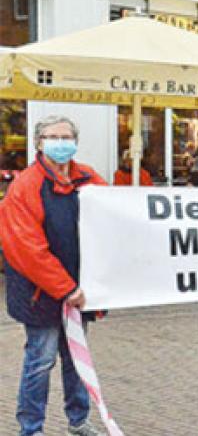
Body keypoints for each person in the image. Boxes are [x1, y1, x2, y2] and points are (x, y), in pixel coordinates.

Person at [0, 115, 107, 436]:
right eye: (53, 137)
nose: (61, 143)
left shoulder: (88, 178)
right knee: (41, 361)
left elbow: (117, 216)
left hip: (80, 291)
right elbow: (27, 249)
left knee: (77, 360)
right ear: (39, 143)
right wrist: (65, 288)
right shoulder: (25, 186)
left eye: (66, 136)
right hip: (40, 293)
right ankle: (30, 428)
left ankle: (79, 421)